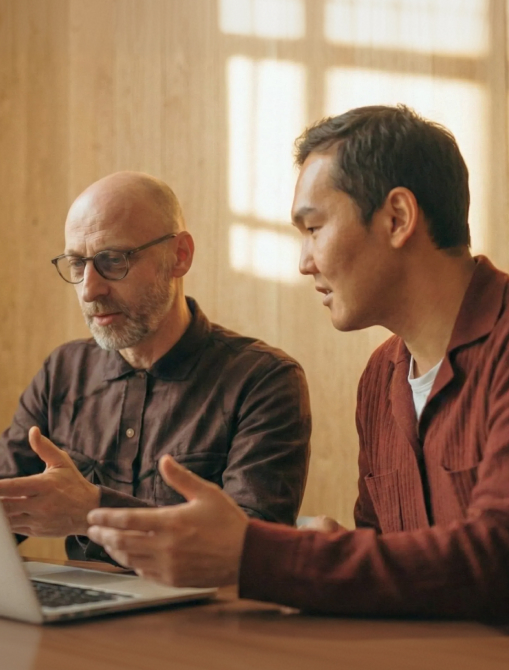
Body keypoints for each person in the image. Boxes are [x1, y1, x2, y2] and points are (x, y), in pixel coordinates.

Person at [87, 106, 509, 620]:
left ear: (397, 218)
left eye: (313, 228)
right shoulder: (381, 377)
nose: (304, 263)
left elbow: (495, 558)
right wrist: (330, 554)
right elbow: (395, 563)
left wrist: (259, 555)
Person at [0, 171, 311, 562]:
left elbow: (252, 551)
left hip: (199, 604)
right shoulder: (63, 371)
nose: (90, 290)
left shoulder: (262, 380)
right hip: (79, 601)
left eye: (113, 260)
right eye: (77, 264)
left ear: (179, 256)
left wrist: (93, 511)